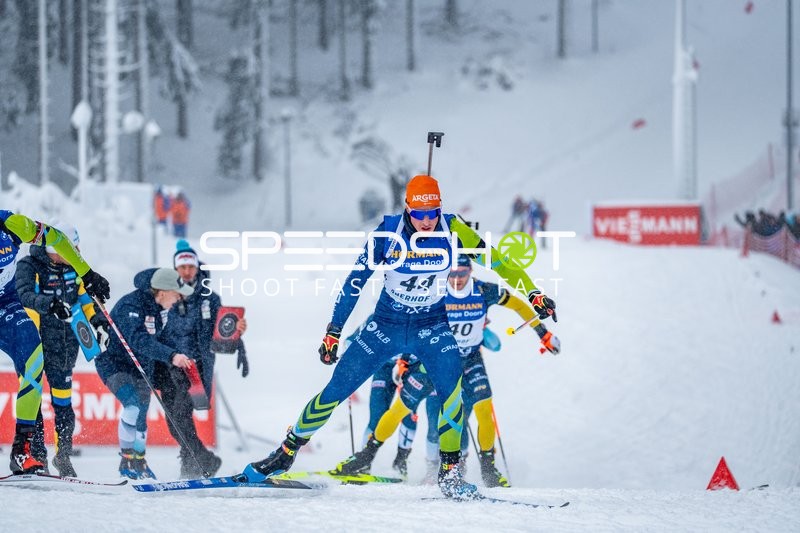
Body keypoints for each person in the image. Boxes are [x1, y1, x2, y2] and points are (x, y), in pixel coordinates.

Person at [236, 174, 556, 500]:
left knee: (451, 392)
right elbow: (354, 283)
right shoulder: (387, 233)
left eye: (433, 213)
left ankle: (450, 474)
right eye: (419, 214)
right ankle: (284, 454)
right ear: (407, 210)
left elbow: (500, 262)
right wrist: (334, 331)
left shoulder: (454, 228)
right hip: (386, 324)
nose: (427, 221)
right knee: (337, 388)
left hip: (431, 325)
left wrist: (533, 293)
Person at [333, 254, 561, 488]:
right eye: (452, 274)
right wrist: (404, 359)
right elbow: (409, 322)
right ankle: (365, 457)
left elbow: (519, 305)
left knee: (484, 408)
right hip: (435, 358)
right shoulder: (434, 289)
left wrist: (542, 332)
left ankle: (488, 469)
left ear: (470, 271)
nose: (456, 279)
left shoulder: (485, 291)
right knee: (401, 408)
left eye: (462, 274)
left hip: (469, 359)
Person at [0, 211, 110, 474]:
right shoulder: (33, 266)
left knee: (34, 359)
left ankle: (23, 452)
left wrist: (87, 273)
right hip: (33, 314)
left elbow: (57, 238)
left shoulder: (12, 225)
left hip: (5, 304)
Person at [93, 268, 194, 479]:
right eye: (177, 293)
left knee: (141, 416)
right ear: (164, 291)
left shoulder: (159, 308)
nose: (178, 299)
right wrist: (170, 356)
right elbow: (138, 340)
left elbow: (162, 338)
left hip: (142, 367)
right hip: (115, 365)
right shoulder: (131, 305)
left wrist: (179, 354)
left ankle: (139, 461)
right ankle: (126, 460)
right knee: (132, 406)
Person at [164, 239, 248, 477]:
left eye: (191, 266)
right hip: (170, 366)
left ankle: (195, 461)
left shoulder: (210, 299)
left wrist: (236, 330)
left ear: (197, 267)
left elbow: (221, 338)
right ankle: (200, 459)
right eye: (182, 267)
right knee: (174, 420)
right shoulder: (167, 295)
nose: (187, 271)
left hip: (197, 369)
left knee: (180, 413)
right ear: (176, 270)